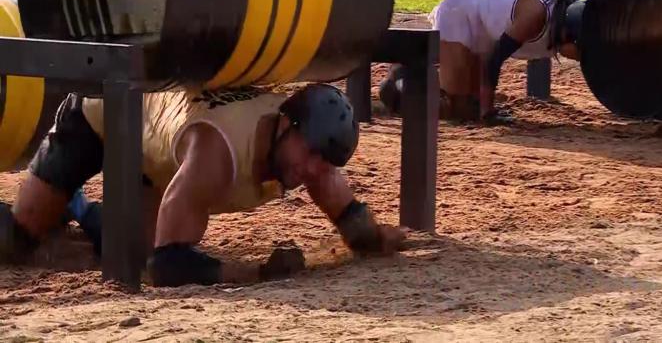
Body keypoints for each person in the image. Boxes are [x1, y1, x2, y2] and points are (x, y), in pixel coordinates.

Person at [0, 84, 407, 287]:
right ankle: (59, 204)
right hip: (101, 110)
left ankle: (76, 207)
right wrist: (258, 272)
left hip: (153, 147)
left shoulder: (308, 154)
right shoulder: (218, 154)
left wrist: (383, 237)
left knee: (131, 255)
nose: (313, 170)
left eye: (325, 162)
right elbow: (171, 266)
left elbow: (354, 224)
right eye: (312, 154)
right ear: (285, 125)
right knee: (16, 241)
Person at [380, 0, 584, 123]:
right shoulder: (535, 15)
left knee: (469, 109)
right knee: (454, 110)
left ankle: (432, 65)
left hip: (486, 32)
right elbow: (494, 60)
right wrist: (488, 111)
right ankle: (400, 79)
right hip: (461, 14)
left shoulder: (566, 19)